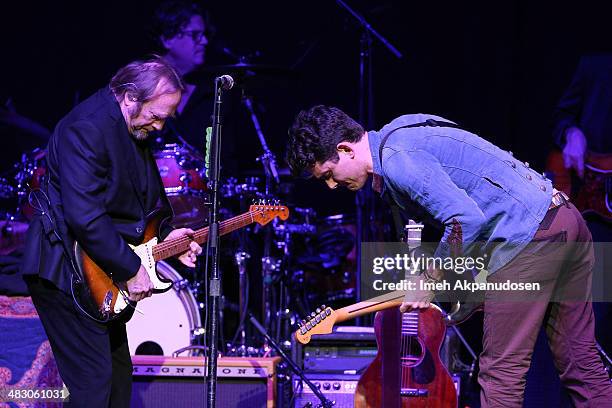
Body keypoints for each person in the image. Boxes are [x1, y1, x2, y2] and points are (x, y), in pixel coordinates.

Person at [286, 105, 612, 407]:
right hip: (565, 220)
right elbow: (479, 198)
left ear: (344, 149)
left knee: (501, 375)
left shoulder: (399, 160)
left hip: (528, 240)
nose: (331, 186)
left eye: (328, 174)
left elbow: (465, 219)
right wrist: (475, 287)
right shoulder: (400, 131)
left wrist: (429, 279)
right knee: (580, 363)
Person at [20, 57, 203, 408]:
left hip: (99, 273)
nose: (161, 125)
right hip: (65, 271)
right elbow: (85, 215)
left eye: (167, 117)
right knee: (94, 387)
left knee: (117, 383)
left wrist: (165, 238)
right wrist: (132, 269)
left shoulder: (133, 126)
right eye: (157, 114)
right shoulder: (86, 128)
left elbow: (146, 197)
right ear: (131, 97)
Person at [553, 53, 612, 356]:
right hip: (596, 209)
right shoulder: (596, 65)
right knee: (595, 312)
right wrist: (571, 134)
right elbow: (563, 116)